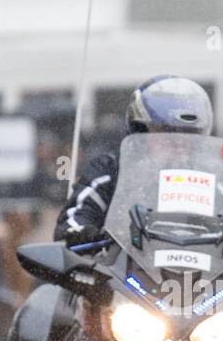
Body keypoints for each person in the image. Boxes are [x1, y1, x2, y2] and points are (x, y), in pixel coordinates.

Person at [52, 75, 213, 243]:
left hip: (201, 268)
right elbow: (75, 218)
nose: (179, 143)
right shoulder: (111, 172)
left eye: (189, 134)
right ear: (140, 131)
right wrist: (81, 233)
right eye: (167, 132)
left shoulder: (213, 180)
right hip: (123, 267)